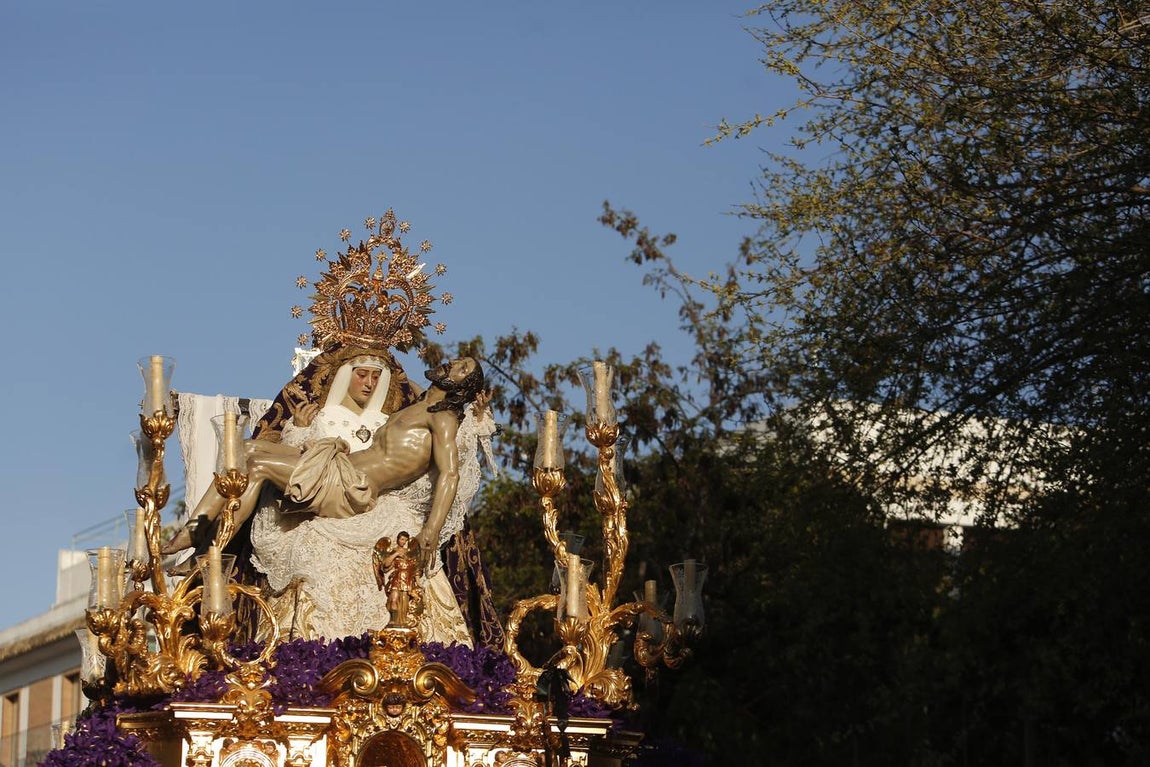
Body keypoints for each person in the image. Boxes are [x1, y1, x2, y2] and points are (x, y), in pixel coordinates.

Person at [163, 357, 485, 565]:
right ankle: (196, 528)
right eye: (459, 361)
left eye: (462, 369)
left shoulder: (443, 418)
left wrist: (431, 531)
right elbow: (401, 376)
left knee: (258, 467)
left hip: (350, 487)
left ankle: (210, 552)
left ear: (462, 388)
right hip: (338, 464)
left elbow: (450, 474)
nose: (453, 363)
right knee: (246, 449)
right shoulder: (418, 405)